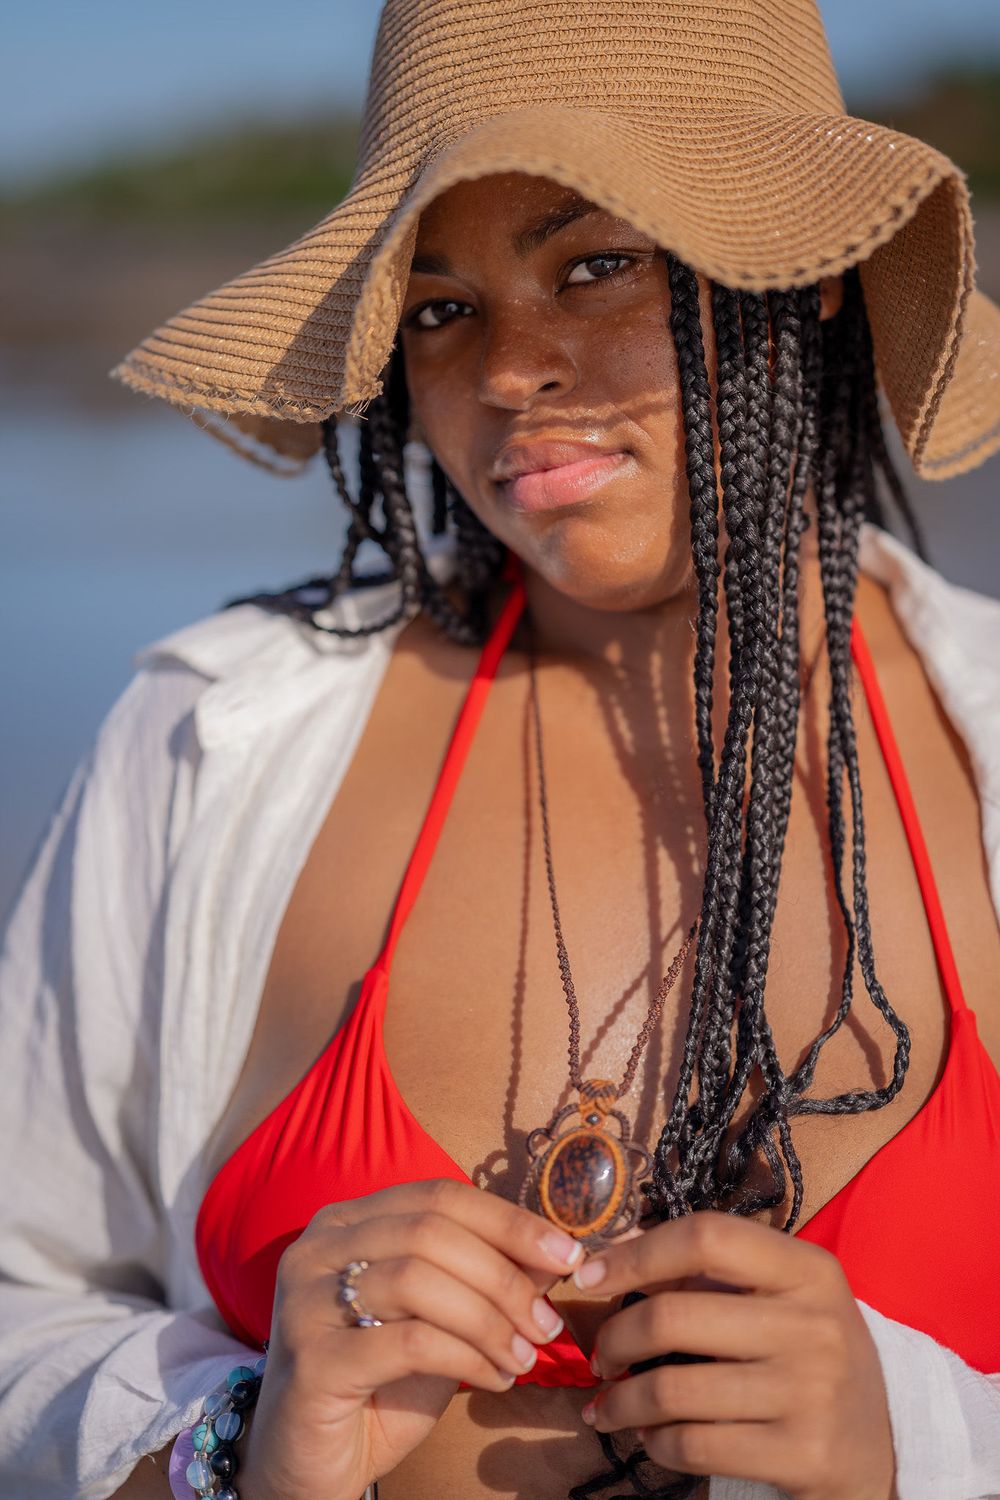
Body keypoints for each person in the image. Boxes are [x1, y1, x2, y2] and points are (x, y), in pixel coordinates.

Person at [2, 2, 1000, 1498]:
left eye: (596, 264)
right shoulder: (210, 735)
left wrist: (913, 1440)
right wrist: (236, 1443)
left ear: (820, 279)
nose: (509, 372)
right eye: (438, 307)